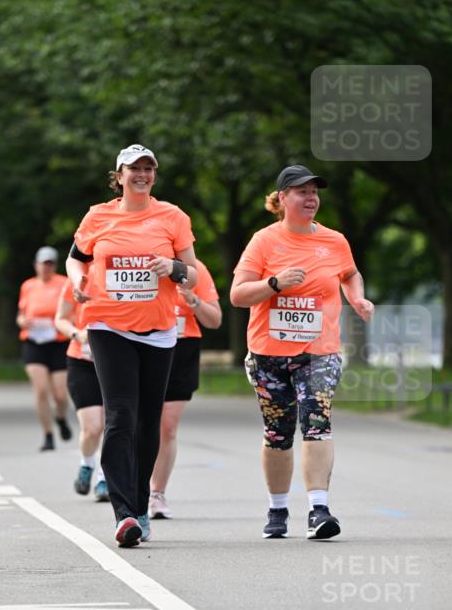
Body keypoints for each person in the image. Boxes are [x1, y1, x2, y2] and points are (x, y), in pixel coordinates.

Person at [230, 164, 374, 540]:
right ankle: (277, 511)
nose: (311, 198)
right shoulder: (263, 241)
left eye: (314, 192)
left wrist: (357, 298)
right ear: (281, 199)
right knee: (278, 433)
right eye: (301, 192)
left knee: (316, 422)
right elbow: (237, 294)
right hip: (268, 353)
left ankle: (318, 509)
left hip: (318, 352)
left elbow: (349, 273)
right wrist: (274, 283)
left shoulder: (334, 240)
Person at [66, 144, 198, 547]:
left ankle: (141, 504)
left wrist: (172, 268)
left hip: (159, 330)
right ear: (119, 175)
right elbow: (77, 258)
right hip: (108, 326)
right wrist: (76, 281)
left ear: (154, 175)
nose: (142, 174)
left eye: (148, 168)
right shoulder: (98, 216)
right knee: (120, 416)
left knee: (147, 422)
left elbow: (192, 274)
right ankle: (124, 514)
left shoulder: (172, 217)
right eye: (134, 169)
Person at [149, 259, 222, 519]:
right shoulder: (140, 262)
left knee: (167, 426)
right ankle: (129, 486)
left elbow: (215, 320)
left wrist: (194, 301)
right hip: (146, 345)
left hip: (182, 350)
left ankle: (157, 493)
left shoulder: (195, 270)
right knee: (137, 421)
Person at [55, 276, 109, 501]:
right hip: (81, 362)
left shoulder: (122, 275)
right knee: (93, 428)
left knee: (112, 425)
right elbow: (60, 319)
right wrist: (77, 334)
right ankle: (86, 463)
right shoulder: (79, 278)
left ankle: (104, 478)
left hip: (113, 362)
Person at [17, 246, 73, 450]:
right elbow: (21, 314)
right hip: (34, 343)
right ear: (36, 265)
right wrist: (23, 321)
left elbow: (72, 311)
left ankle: (60, 418)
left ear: (55, 265)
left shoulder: (64, 283)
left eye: (50, 263)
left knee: (60, 395)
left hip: (58, 342)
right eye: (43, 263)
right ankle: (48, 435)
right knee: (41, 391)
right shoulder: (28, 286)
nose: (46, 267)